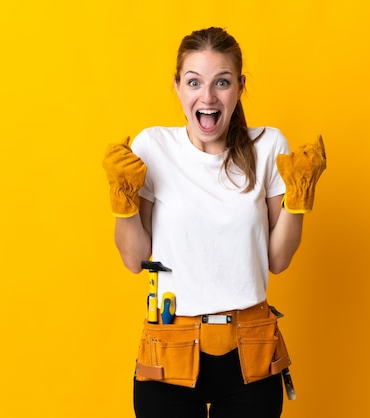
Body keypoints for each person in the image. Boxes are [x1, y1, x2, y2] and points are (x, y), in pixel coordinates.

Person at [103, 27, 326, 418]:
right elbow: (134, 258)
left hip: (250, 349)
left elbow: (278, 260)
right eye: (194, 82)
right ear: (177, 87)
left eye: (221, 83)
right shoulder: (152, 147)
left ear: (239, 87)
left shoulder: (269, 145)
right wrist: (122, 200)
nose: (207, 97)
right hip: (169, 348)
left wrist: (298, 198)